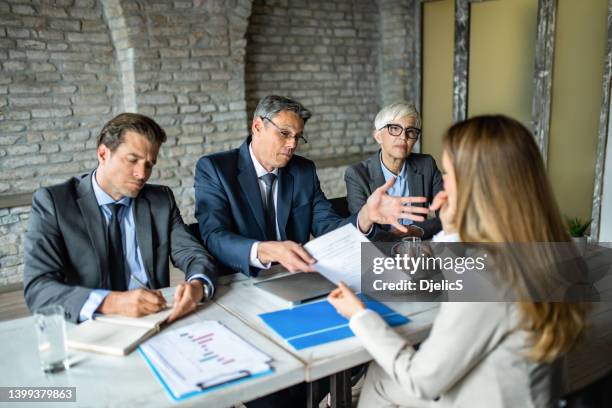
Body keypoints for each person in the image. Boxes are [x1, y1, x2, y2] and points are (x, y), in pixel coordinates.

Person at [328, 115, 590, 407]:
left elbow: (421, 379)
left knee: (381, 375)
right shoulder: (556, 249)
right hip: (525, 392)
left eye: (449, 175)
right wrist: (451, 231)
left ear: (477, 185)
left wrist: (359, 316)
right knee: (381, 375)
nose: (442, 188)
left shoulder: (488, 276)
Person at [195, 95, 429, 277]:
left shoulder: (303, 170)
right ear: (257, 126)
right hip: (241, 278)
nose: (292, 144)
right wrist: (266, 250)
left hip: (298, 275)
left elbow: (327, 226)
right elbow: (214, 235)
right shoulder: (215, 168)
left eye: (298, 137)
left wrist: (366, 216)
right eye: (284, 133)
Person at [24, 113, 217, 324]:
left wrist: (199, 285)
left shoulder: (160, 199)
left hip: (156, 320)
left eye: (149, 164)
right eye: (132, 160)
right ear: (103, 154)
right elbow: (39, 288)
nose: (142, 174)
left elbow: (192, 253)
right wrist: (112, 303)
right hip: (93, 324)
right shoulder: (54, 203)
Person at [345, 101, 443, 239]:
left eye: (411, 131)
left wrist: (416, 230)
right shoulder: (357, 174)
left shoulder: (426, 164)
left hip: (416, 247)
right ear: (378, 136)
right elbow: (361, 227)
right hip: (379, 251)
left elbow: (448, 216)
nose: (403, 137)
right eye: (395, 129)